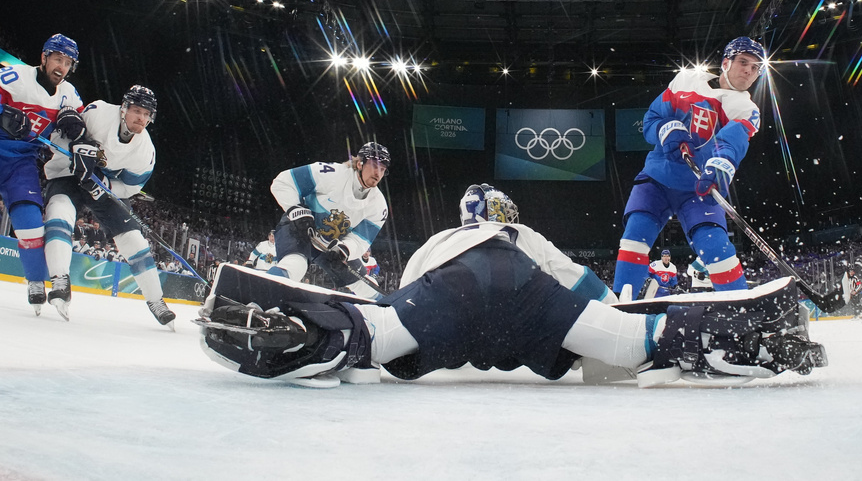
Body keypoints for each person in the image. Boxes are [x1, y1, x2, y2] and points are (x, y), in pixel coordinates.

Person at [198, 184, 826, 389]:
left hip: (449, 298)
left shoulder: (435, 242)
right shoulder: (520, 235)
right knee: (637, 339)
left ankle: (303, 335)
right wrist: (611, 338)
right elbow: (592, 289)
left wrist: (386, 327)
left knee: (375, 334)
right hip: (529, 302)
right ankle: (745, 338)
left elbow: (408, 296)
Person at [614, 37, 764, 299]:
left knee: (717, 249)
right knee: (634, 238)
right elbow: (652, 118)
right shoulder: (686, 81)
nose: (749, 71)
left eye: (755, 67)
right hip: (657, 179)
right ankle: (618, 302)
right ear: (726, 62)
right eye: (743, 62)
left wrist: (721, 164)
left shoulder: (747, 108)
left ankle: (741, 307)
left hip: (698, 188)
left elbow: (733, 142)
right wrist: (667, 129)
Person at [41, 85, 176, 326]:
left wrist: (106, 186)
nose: (142, 118)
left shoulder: (145, 151)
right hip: (68, 174)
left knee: (133, 238)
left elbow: (131, 187)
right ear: (123, 108)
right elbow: (63, 132)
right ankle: (60, 280)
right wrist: (77, 147)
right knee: (59, 209)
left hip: (103, 188)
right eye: (137, 111)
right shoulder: (99, 112)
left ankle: (156, 301)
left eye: (147, 114)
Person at [0, 34, 85, 313]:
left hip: (21, 161)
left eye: (68, 62)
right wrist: (3, 114)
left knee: (32, 225)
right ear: (44, 58)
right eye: (57, 59)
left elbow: (80, 129)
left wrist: (81, 137)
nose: (62, 66)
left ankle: (35, 281)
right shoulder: (13, 77)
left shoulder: (69, 94)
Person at [265, 141, 390, 299]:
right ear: (360, 163)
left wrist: (345, 250)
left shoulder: (379, 205)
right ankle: (259, 300)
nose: (378, 174)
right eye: (374, 166)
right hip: (299, 228)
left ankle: (388, 315)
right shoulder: (331, 173)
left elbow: (361, 240)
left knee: (363, 282)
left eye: (383, 169)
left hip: (330, 244)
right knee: (295, 264)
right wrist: (296, 210)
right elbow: (283, 182)